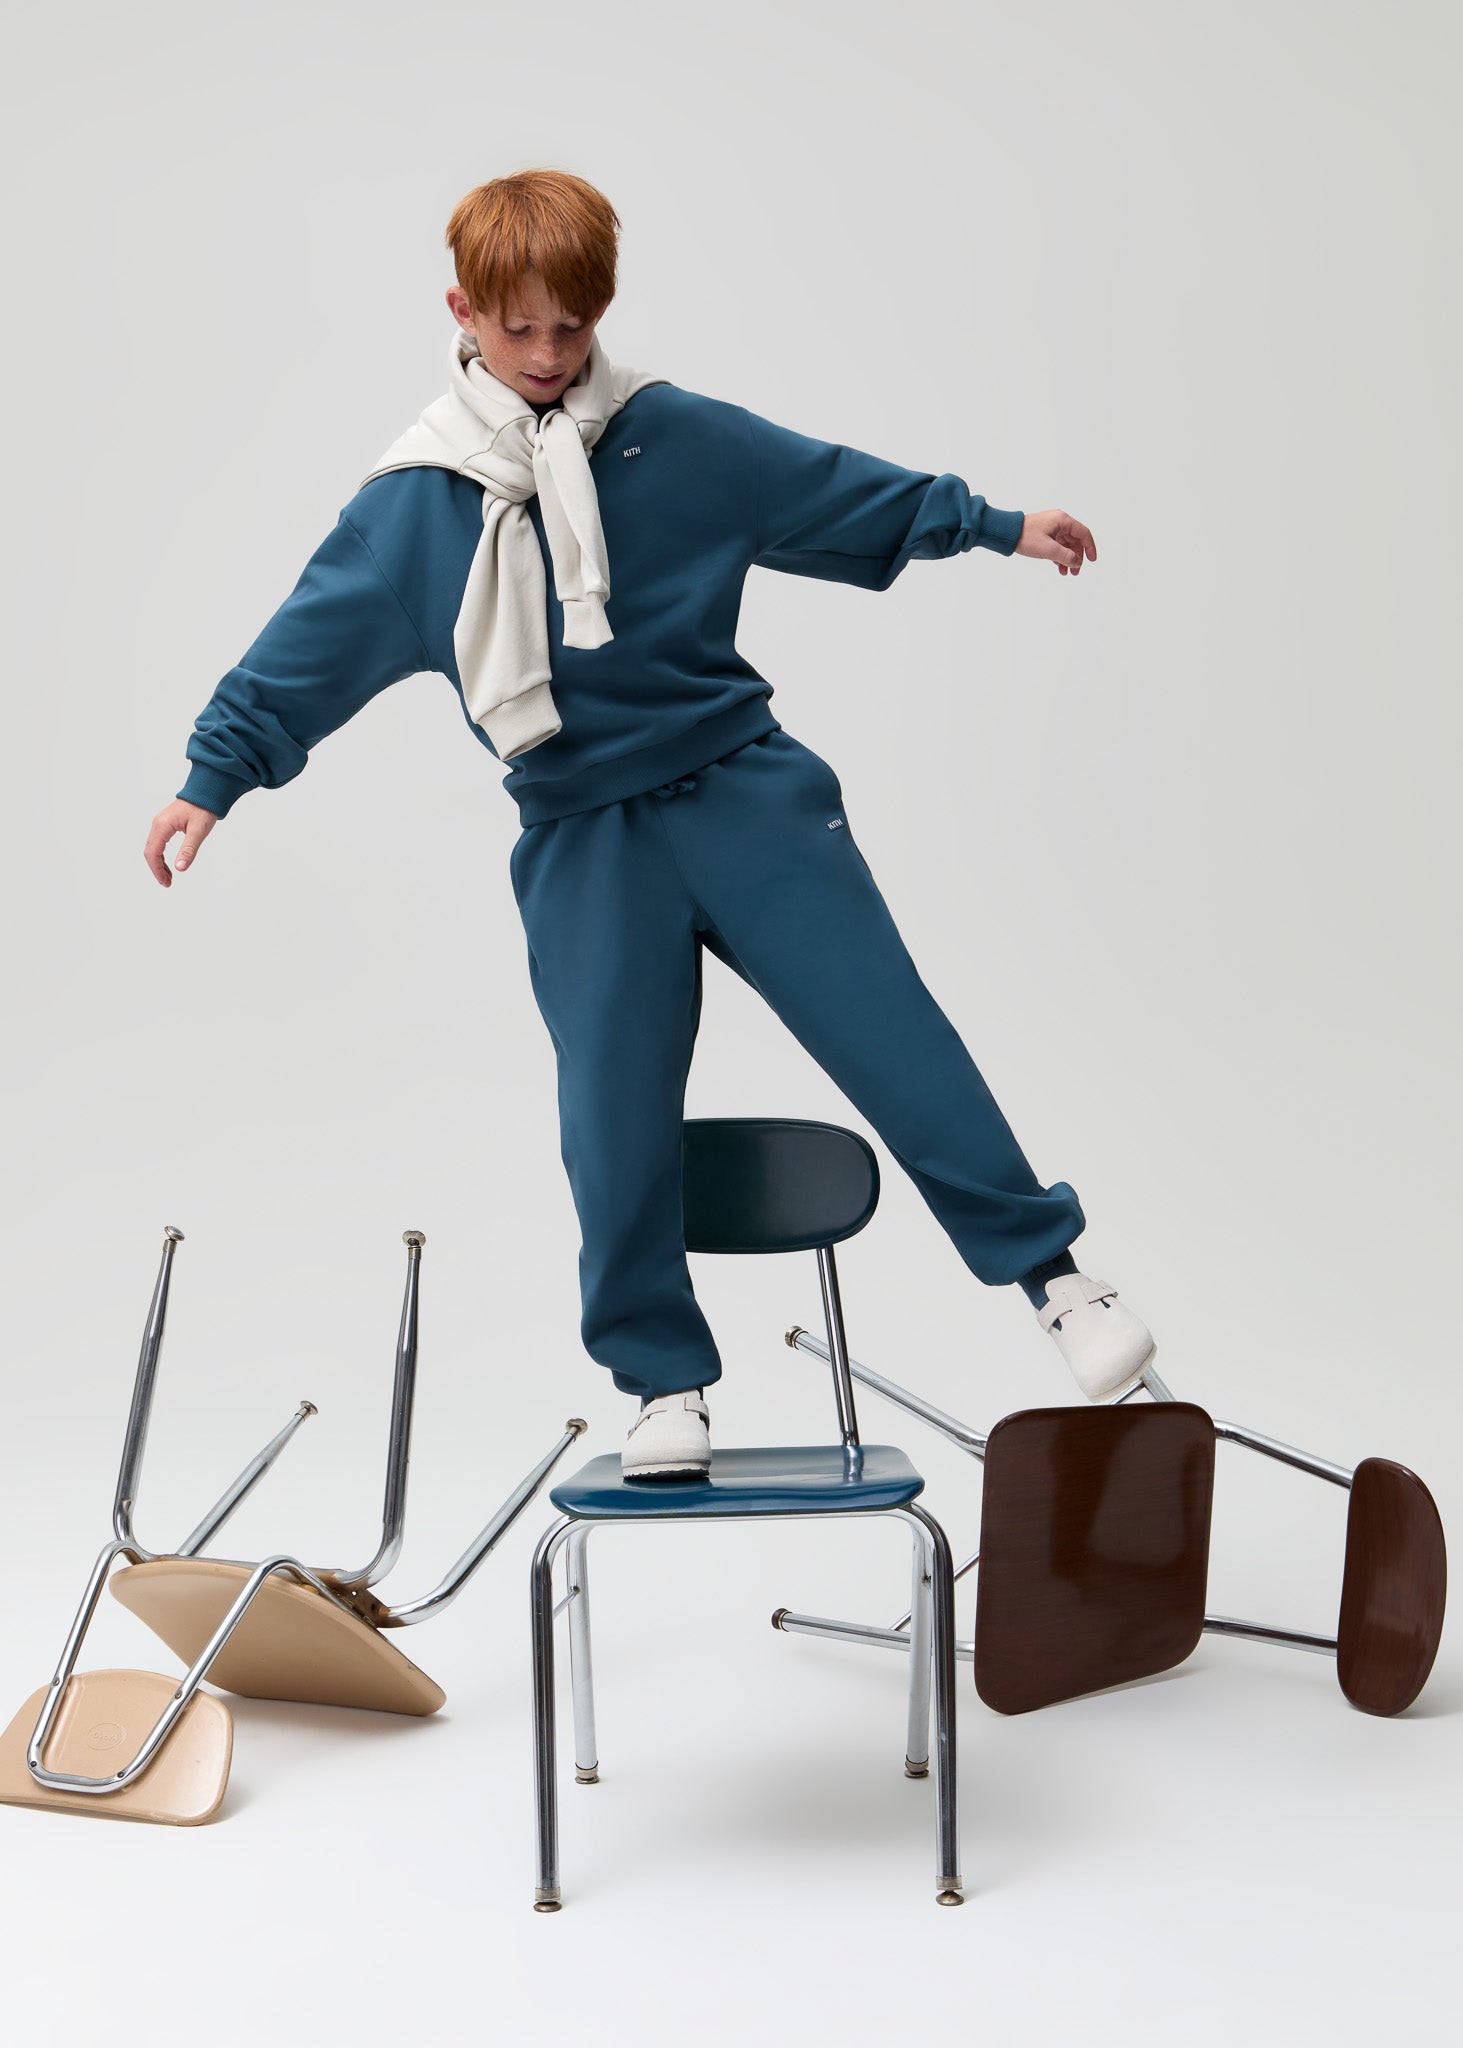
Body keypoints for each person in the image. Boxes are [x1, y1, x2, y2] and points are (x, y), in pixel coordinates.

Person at [145, 168, 1157, 1482]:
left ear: (602, 312)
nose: (548, 354)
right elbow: (302, 652)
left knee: (892, 1034)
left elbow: (833, 489)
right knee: (610, 1119)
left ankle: (1058, 1283)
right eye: (520, 328)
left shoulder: (673, 436)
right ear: (462, 311)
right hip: (584, 840)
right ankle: (662, 1382)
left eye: (573, 326)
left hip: (745, 794)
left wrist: (995, 526)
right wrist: (208, 781)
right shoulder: (415, 505)